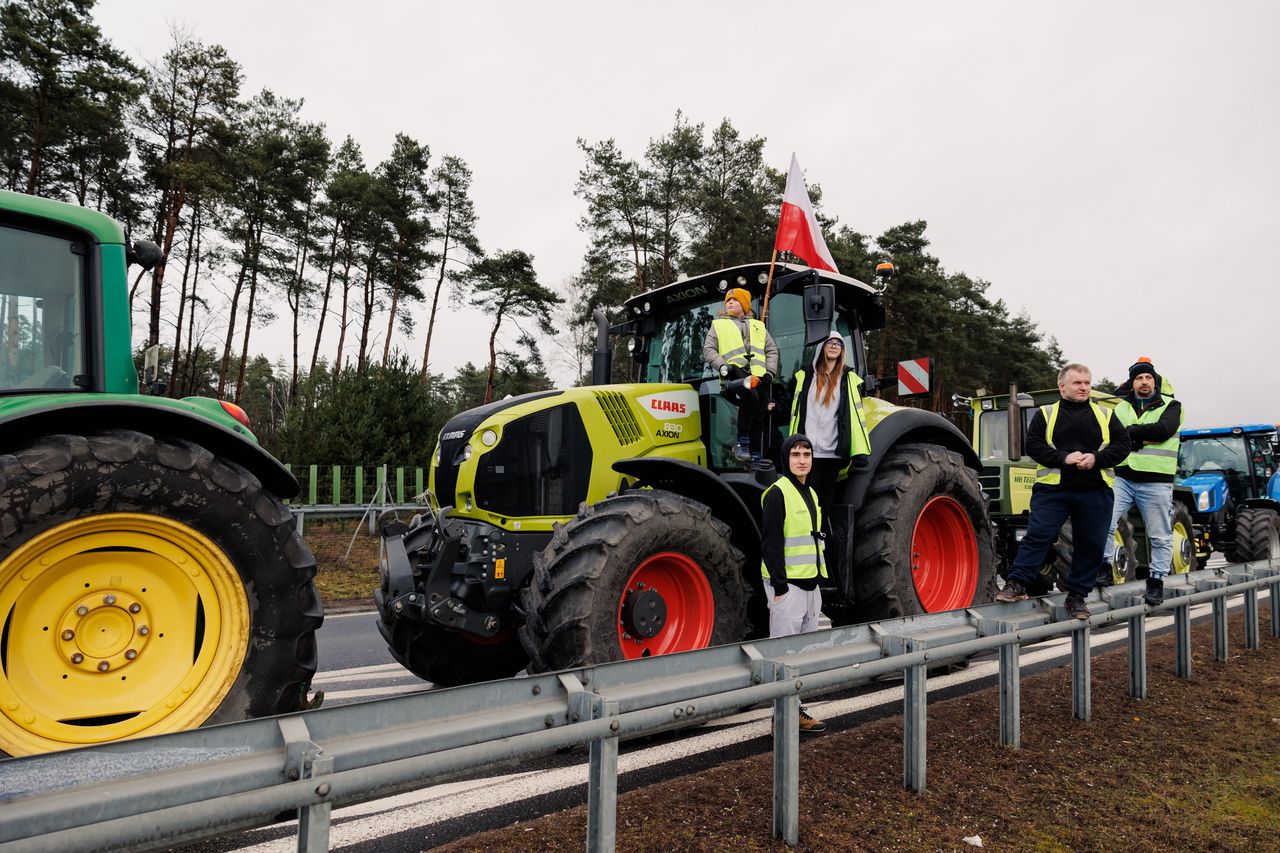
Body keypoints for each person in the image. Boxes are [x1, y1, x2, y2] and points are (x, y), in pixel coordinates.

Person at [995, 363, 1131, 619]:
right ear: (1062, 386)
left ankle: (1077, 597)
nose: (1083, 387)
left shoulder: (1105, 414)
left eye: (1087, 383)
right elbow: (1033, 446)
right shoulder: (1045, 414)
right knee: (1037, 536)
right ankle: (1017, 584)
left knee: (1090, 544)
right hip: (1053, 490)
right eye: (1077, 383)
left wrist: (1096, 458)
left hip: (1095, 489)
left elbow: (1123, 445)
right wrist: (1064, 458)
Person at [1102, 357, 1184, 605]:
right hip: (1123, 477)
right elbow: (1112, 435)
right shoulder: (1120, 408)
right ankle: (1104, 570)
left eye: (1148, 377)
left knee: (1159, 535)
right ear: (1132, 383)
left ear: (1155, 382)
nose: (1144, 382)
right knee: (1104, 522)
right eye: (1139, 378)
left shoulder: (1172, 405)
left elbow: (1163, 431)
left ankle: (1156, 581)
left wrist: (1130, 433)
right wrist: (1139, 435)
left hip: (1156, 481)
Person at [760, 432, 828, 733]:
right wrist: (780, 587)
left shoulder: (811, 494)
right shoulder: (778, 492)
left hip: (811, 585)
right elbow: (770, 542)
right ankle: (779, 719)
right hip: (787, 587)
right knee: (783, 655)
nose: (802, 460)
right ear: (786, 459)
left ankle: (795, 711)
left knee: (802, 656)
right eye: (796, 455)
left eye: (807, 454)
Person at [788, 329, 872, 513]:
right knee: (806, 494)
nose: (835, 346)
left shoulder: (848, 379)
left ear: (842, 350)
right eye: (830, 342)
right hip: (807, 448)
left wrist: (858, 451)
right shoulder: (805, 376)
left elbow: (855, 416)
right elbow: (792, 406)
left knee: (825, 495)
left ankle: (821, 535)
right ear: (821, 347)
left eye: (839, 343)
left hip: (832, 451)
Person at [702, 287, 779, 462]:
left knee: (760, 411)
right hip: (735, 372)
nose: (730, 302)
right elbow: (708, 350)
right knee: (750, 397)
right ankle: (741, 441)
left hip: (760, 375)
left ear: (744, 304)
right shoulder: (718, 325)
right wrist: (723, 366)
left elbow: (771, 349)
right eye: (728, 300)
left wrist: (770, 372)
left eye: (735, 300)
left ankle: (756, 451)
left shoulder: (759, 326)